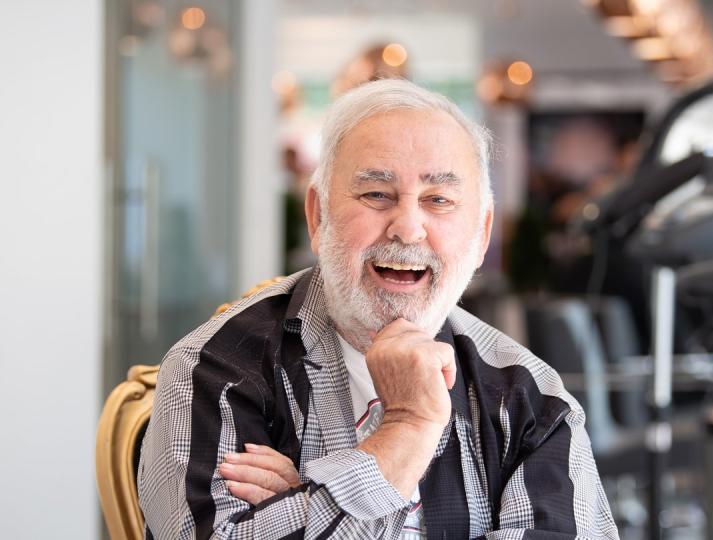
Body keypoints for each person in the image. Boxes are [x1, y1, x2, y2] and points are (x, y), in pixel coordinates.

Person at [139, 79, 618, 539]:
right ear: (318, 214)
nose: (407, 228)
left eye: (439, 199)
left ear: (482, 234)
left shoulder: (531, 398)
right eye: (375, 194)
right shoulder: (216, 369)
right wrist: (406, 430)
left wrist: (311, 503)